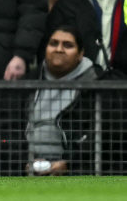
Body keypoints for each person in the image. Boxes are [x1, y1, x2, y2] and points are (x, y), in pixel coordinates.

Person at [26, 25, 101, 176]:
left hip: (77, 171)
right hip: (27, 167)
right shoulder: (27, 82)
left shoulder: (98, 85)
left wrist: (69, 164)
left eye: (68, 45)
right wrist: (22, 161)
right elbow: (9, 131)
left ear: (81, 54)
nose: (59, 49)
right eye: (53, 43)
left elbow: (101, 137)